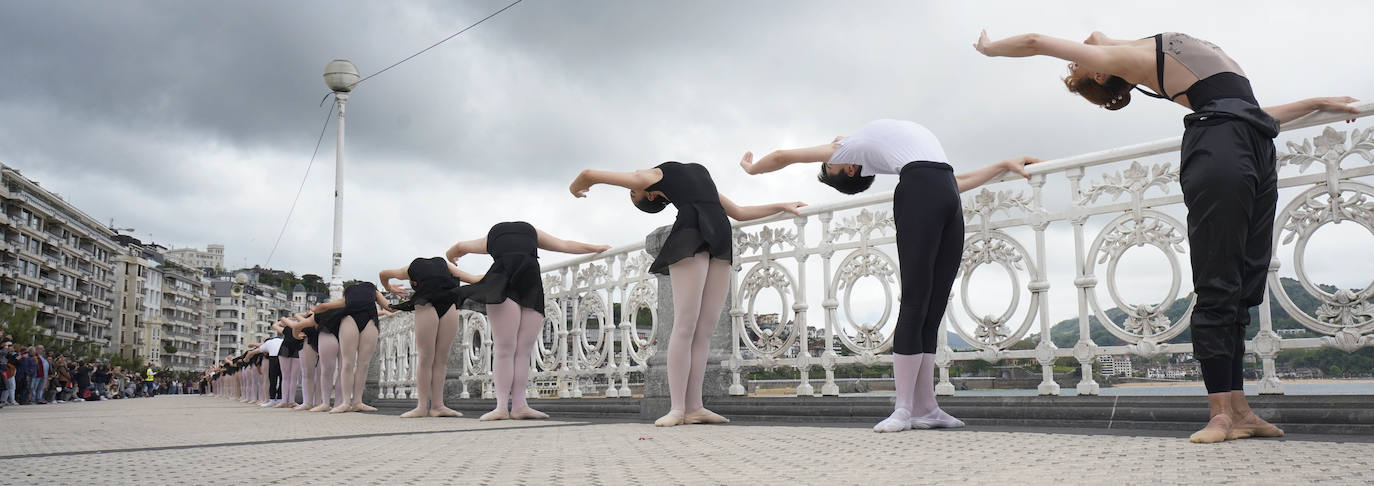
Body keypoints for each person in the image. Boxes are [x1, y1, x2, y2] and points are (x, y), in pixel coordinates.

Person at [972, 29, 1360, 443]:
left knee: (1245, 284)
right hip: (1217, 144)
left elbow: (1255, 113)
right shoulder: (1125, 59)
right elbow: (1034, 42)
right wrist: (989, 49)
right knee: (1217, 282)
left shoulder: (1133, 51)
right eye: (1079, 63)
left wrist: (1317, 103)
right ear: (1102, 74)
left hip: (1253, 139)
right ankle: (1219, 414)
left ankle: (1241, 410)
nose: (1081, 52)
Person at [740, 120, 1038, 433]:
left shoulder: (885, 151)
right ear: (851, 168)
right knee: (915, 300)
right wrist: (753, 169)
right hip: (920, 195)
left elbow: (956, 179)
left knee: (933, 308)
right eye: (829, 164)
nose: (828, 154)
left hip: (945, 190)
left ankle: (926, 406)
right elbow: (781, 155)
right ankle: (903, 409)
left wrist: (1004, 164)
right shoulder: (853, 147)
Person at [570, 162, 806, 426]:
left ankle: (695, 407)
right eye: (633, 191)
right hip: (690, 236)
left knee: (705, 329)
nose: (632, 187)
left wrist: (781, 206)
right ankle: (677, 408)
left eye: (631, 192)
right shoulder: (653, 176)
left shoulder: (692, 178)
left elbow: (739, 212)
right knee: (685, 324)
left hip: (719, 236)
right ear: (650, 193)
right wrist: (575, 187)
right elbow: (589, 174)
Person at [438, 222, 610, 421]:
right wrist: (596, 248)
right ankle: (504, 406)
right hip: (513, 287)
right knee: (510, 348)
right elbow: (564, 244)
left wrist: (452, 257)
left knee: (516, 349)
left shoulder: (495, 237)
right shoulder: (529, 233)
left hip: (526, 288)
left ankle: (517, 406)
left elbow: (458, 247)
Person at [380, 257, 483, 419]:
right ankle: (423, 406)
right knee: (429, 357)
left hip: (445, 304)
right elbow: (473, 279)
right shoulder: (435, 266)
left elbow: (383, 274)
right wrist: (389, 288)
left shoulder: (413, 268)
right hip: (431, 304)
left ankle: (436, 406)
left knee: (438, 358)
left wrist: (389, 287)